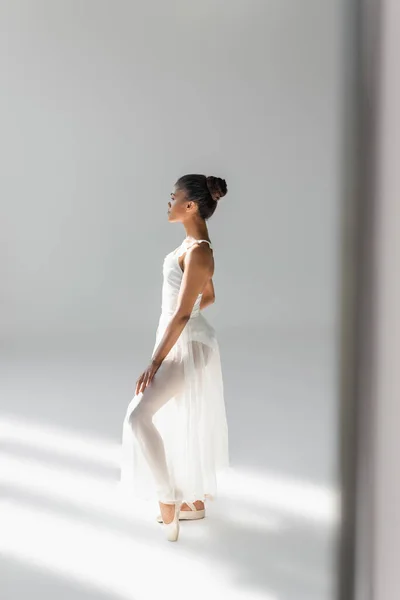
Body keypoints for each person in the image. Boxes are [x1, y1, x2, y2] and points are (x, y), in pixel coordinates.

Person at [120, 174, 230, 541]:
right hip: (179, 338)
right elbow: (207, 296)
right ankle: (191, 504)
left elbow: (185, 313)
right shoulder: (191, 246)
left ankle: (168, 499)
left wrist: (154, 362)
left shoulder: (199, 250)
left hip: (189, 343)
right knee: (165, 416)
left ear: (191, 205)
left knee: (139, 415)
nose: (168, 203)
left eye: (173, 197)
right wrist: (176, 322)